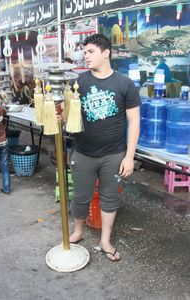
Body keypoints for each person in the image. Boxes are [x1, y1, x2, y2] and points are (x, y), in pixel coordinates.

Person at [68, 34, 141, 261]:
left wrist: (129, 157)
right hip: (83, 152)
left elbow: (134, 121)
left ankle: (105, 241)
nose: (85, 56)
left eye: (90, 52)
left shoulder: (124, 83)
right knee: (80, 196)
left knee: (110, 197)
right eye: (85, 52)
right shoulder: (78, 83)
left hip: (114, 154)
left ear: (106, 52)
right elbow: (68, 119)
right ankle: (78, 232)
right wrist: (57, 111)